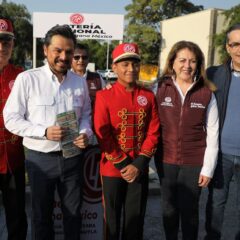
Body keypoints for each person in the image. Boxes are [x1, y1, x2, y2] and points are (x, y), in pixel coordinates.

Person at [3, 24, 92, 240]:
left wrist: (85, 133)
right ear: (45, 50)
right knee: (41, 216)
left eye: (69, 52)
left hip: (72, 159)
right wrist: (43, 131)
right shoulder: (28, 79)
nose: (64, 56)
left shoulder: (80, 82)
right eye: (58, 50)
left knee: (73, 215)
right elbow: (11, 119)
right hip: (39, 159)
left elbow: (86, 116)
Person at [94, 42, 160, 240]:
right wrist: (124, 164)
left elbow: (154, 131)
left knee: (135, 220)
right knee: (111, 222)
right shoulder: (103, 96)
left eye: (135, 64)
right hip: (112, 169)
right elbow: (101, 133)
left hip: (138, 169)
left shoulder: (148, 96)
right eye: (125, 64)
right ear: (114, 67)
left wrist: (138, 164)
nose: (131, 69)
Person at [155, 40, 219, 240]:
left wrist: (208, 168)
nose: (187, 65)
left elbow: (213, 133)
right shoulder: (159, 88)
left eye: (192, 61)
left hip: (194, 162)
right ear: (172, 62)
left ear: (198, 64)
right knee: (168, 209)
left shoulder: (207, 92)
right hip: (165, 160)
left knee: (190, 211)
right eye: (182, 60)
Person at [205, 23, 240, 240]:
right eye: (235, 44)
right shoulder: (214, 74)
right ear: (227, 47)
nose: (239, 49)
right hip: (222, 153)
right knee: (217, 203)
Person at [0, 17, 28, 240]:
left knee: (17, 217)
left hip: (14, 158)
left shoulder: (22, 76)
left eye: (7, 41)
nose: (2, 46)